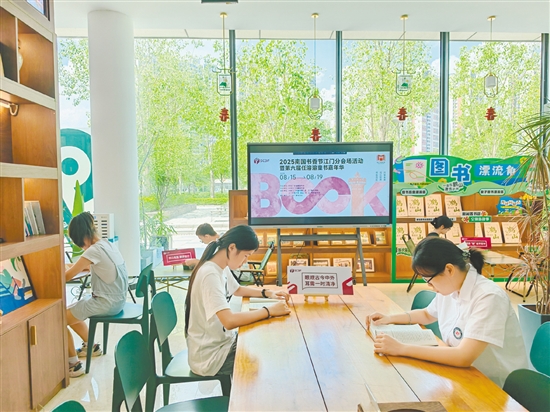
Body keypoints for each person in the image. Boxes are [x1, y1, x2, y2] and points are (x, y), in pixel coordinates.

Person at [366, 236, 527, 387]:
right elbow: (427, 314)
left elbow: (463, 357)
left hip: (495, 385)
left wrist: (401, 348)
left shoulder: (489, 297)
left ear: (449, 269)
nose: (429, 286)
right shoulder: (452, 285)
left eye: (428, 280)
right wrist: (389, 318)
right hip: (461, 375)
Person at [185, 225, 291, 377]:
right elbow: (229, 321)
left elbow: (237, 289)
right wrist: (269, 311)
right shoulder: (210, 274)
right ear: (232, 248)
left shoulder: (220, 266)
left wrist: (268, 293)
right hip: (211, 357)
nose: (246, 261)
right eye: (246, 255)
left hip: (221, 343)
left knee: (262, 342)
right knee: (270, 358)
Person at [64, 212, 129, 377]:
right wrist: (68, 266)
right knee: (72, 309)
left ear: (80, 237)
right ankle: (91, 347)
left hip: (106, 303)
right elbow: (85, 266)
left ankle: (73, 365)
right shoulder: (106, 244)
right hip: (118, 300)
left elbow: (67, 276)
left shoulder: (93, 251)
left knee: (60, 319)